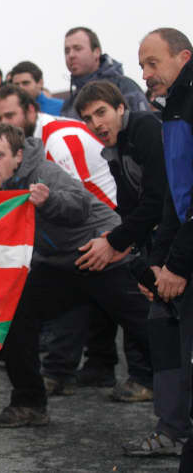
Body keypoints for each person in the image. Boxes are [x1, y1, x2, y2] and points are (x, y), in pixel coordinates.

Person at [0, 123, 149, 428]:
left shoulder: (45, 172)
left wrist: (49, 201)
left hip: (101, 253)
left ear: (18, 155)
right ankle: (28, 404)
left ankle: (175, 397)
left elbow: (79, 205)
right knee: (12, 314)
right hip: (57, 265)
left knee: (149, 329)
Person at [66, 81, 167, 393]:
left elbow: (158, 199)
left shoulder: (145, 128)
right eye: (87, 118)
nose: (96, 123)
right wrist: (123, 246)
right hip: (152, 238)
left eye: (101, 113)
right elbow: (128, 206)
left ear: (121, 108)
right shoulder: (113, 149)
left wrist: (114, 242)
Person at [125, 27, 193, 462]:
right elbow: (175, 195)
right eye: (142, 67)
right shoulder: (171, 109)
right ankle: (172, 430)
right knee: (167, 334)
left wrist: (178, 266)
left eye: (154, 63)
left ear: (184, 58)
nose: (147, 74)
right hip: (180, 251)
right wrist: (157, 265)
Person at [61, 27, 149, 118]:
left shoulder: (125, 87)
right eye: (67, 51)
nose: (71, 55)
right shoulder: (68, 104)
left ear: (96, 52)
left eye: (77, 48)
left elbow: (145, 126)